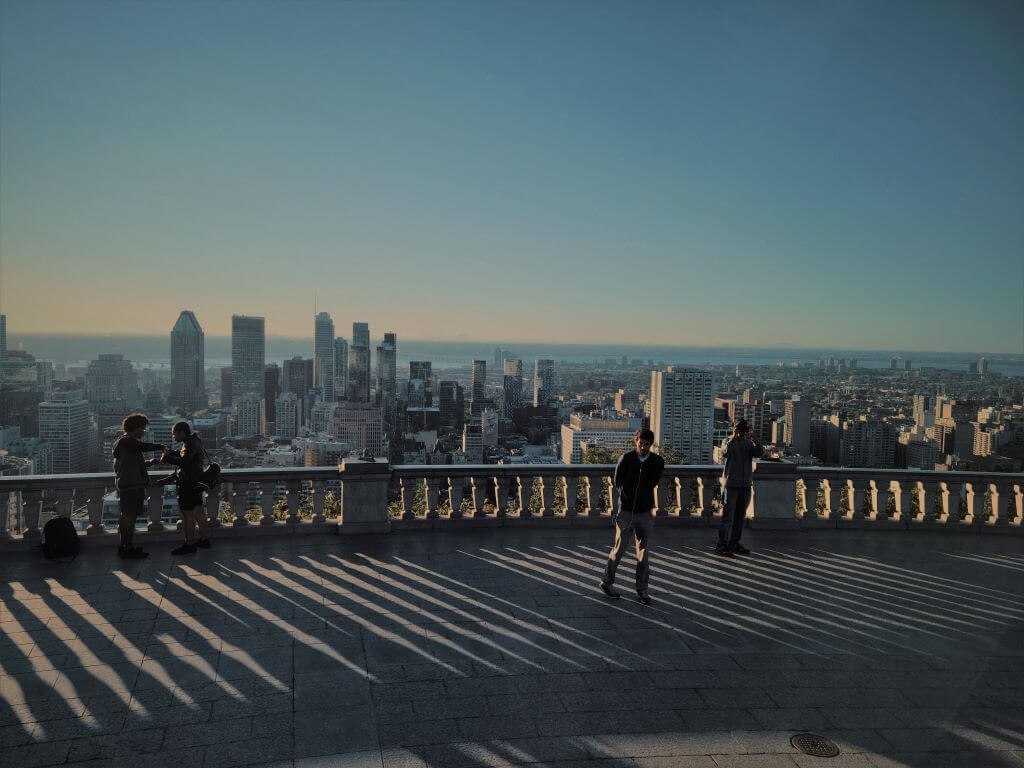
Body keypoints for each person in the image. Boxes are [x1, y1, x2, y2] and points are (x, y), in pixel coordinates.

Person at [600, 428, 665, 605]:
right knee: (619, 548)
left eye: (647, 444)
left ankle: (642, 589)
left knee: (643, 553)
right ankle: (606, 582)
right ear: (635, 441)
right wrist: (626, 496)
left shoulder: (657, 462)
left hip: (645, 512)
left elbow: (654, 482)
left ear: (651, 445)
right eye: (640, 443)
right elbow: (617, 481)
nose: (643, 447)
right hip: (626, 511)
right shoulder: (626, 458)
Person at [112, 413, 165, 559]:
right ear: (135, 428)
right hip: (132, 486)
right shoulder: (128, 441)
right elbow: (142, 447)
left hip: (126, 485)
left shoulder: (123, 443)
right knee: (130, 518)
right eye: (142, 428)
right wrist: (160, 446)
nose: (144, 431)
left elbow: (130, 464)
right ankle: (128, 548)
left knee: (126, 517)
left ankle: (124, 546)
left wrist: (150, 462)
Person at [156, 421, 211, 555]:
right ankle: (204, 539)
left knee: (187, 514)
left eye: (174, 434)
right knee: (199, 511)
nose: (174, 437)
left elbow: (184, 462)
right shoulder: (195, 440)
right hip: (197, 482)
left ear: (181, 432)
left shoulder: (188, 443)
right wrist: (172, 453)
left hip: (188, 483)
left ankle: (189, 544)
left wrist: (167, 458)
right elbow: (186, 456)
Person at [716, 418, 763, 557]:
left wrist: (754, 438)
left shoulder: (748, 443)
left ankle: (734, 543)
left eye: (742, 428)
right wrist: (733, 437)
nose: (741, 431)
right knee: (727, 517)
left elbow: (759, 453)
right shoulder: (727, 441)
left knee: (740, 517)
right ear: (734, 428)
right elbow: (725, 453)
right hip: (731, 485)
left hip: (745, 485)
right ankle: (722, 544)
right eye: (739, 428)